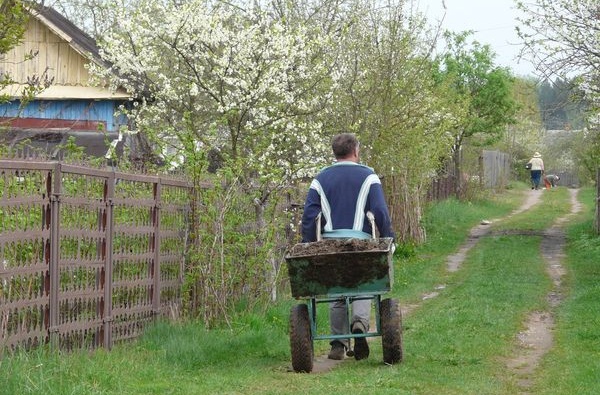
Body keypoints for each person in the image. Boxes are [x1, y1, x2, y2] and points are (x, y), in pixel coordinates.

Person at [301, 132, 395, 361]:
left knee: (337, 290)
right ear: (356, 151)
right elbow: (380, 212)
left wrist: (307, 246)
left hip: (330, 245)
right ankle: (359, 325)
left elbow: (309, 217)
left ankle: (337, 344)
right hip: (361, 242)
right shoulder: (369, 176)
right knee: (363, 285)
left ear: (335, 153)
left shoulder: (320, 179)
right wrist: (390, 239)